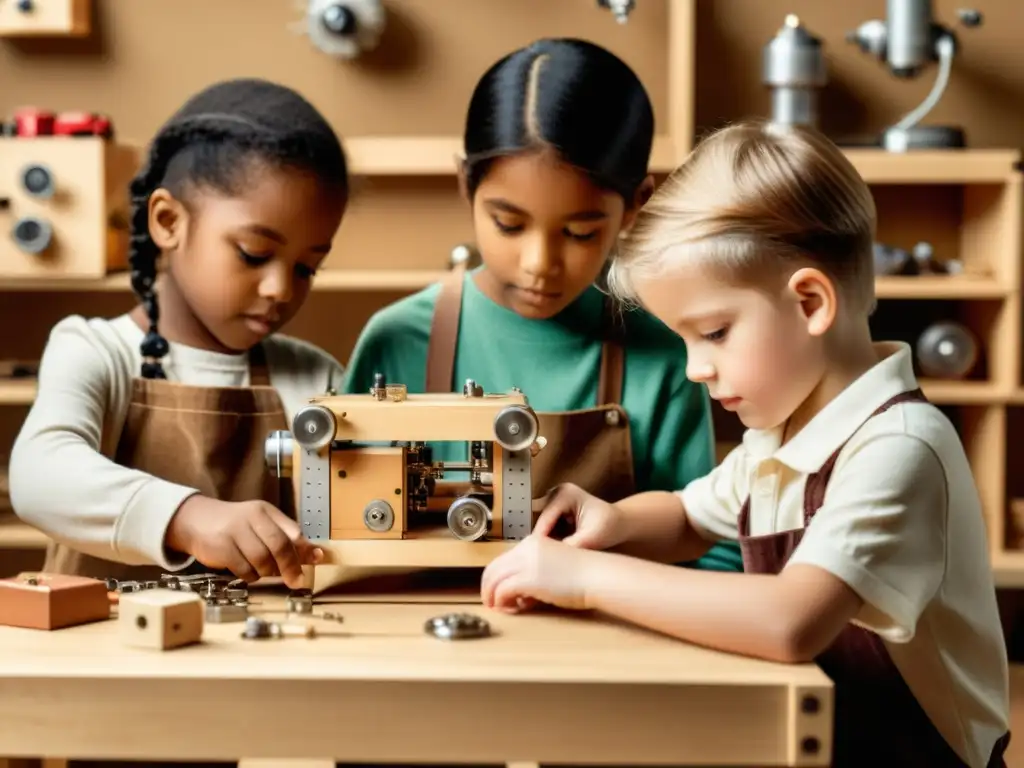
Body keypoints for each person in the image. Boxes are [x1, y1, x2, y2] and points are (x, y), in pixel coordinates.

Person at [480, 120, 1011, 768]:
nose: (693, 368)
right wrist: (610, 520)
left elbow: (789, 621)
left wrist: (586, 576)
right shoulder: (779, 437)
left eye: (714, 333)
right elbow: (686, 517)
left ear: (811, 302)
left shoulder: (897, 449)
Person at [342, 37, 741, 572]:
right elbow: (344, 538)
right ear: (465, 186)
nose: (539, 263)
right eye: (509, 224)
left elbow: (711, 551)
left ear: (635, 206)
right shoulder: (397, 340)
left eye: (578, 232)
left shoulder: (668, 352)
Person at [9, 78, 349, 591]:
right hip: (103, 661)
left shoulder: (314, 376)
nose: (280, 288)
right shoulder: (94, 350)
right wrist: (187, 518)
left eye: (306, 268)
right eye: (254, 254)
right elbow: (39, 476)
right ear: (169, 221)